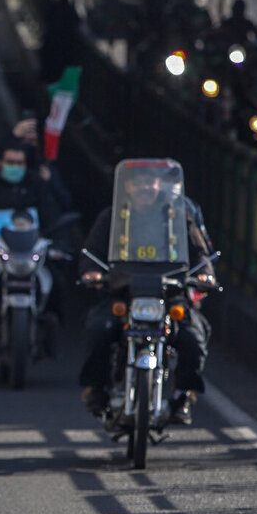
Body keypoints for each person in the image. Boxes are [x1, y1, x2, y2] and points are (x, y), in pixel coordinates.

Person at [79, 168, 216, 425]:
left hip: (169, 293)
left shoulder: (178, 216)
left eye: (150, 181)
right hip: (123, 292)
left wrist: (205, 275)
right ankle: (97, 390)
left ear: (159, 185)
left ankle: (182, 395)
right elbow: (91, 252)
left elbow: (199, 253)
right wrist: (92, 272)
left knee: (193, 337)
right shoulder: (113, 217)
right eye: (137, 182)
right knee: (98, 329)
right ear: (127, 187)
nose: (144, 187)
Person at [0, 137, 63, 331]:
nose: (15, 167)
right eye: (10, 162)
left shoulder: (37, 185)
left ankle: (51, 324)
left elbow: (53, 216)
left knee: (57, 280)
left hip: (32, 252)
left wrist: (59, 244)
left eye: (20, 163)